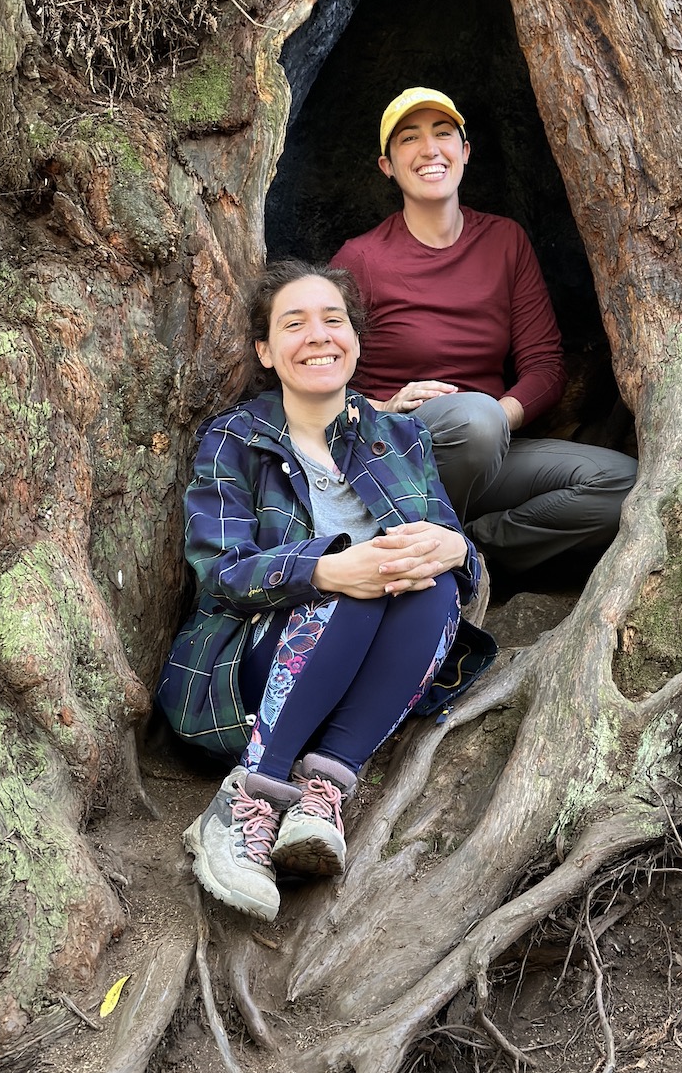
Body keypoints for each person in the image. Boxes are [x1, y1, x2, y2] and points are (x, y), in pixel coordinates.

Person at [156, 260, 492, 923]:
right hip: (247, 678)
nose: (319, 336)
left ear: (357, 342)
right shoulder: (236, 439)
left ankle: (322, 788)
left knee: (427, 585)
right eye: (295, 323)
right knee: (362, 575)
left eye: (333, 320)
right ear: (266, 350)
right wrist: (328, 571)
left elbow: (448, 544)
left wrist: (460, 551)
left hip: (369, 680)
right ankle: (245, 801)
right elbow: (221, 571)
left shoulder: (399, 434)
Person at [330, 87, 637, 575]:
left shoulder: (504, 241)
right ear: (387, 166)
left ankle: (471, 550)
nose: (430, 149)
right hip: (394, 455)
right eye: (409, 139)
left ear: (465, 152)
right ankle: (410, 537)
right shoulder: (361, 259)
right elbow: (317, 376)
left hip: (488, 443)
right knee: (475, 421)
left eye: (443, 134)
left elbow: (544, 366)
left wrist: (500, 419)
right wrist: (384, 408)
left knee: (623, 485)